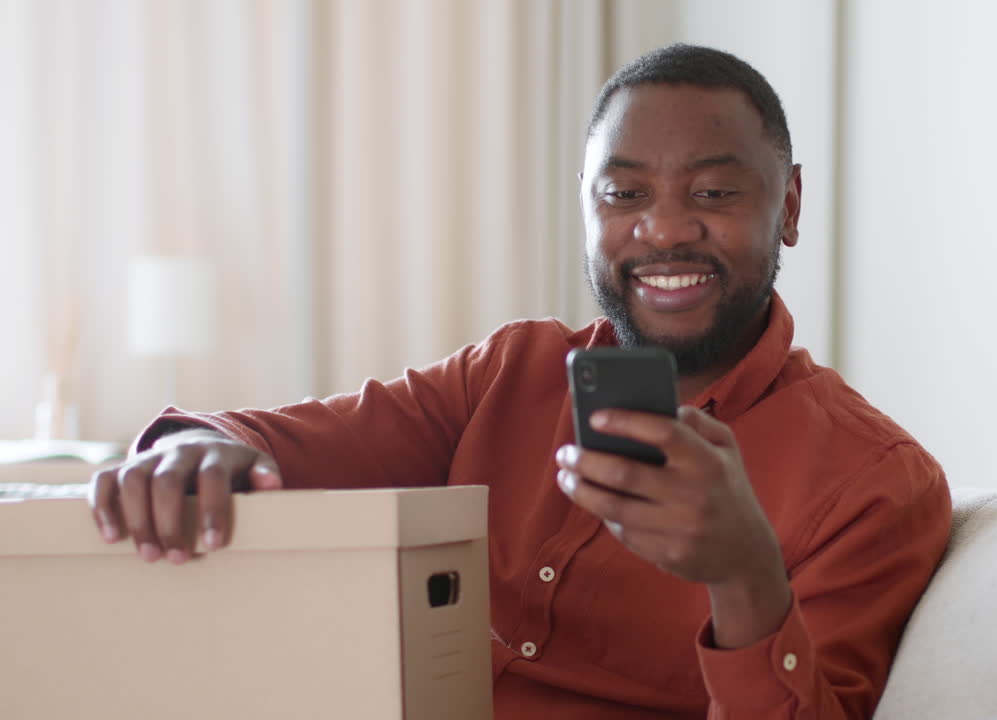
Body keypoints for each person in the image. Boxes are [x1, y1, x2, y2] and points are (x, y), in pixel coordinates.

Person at [88, 44, 951, 719]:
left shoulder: (878, 485)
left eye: (716, 193)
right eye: (623, 194)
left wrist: (743, 577)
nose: (664, 230)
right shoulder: (510, 373)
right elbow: (285, 440)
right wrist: (201, 447)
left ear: (789, 206)